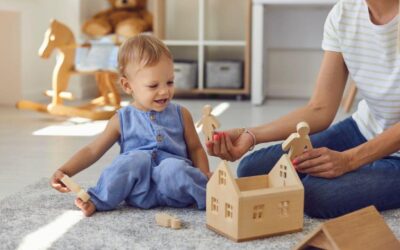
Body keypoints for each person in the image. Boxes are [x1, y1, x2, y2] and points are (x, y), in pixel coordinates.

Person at [207, 0, 400, 219]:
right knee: (254, 169)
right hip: (364, 130)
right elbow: (319, 109)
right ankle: (375, 167)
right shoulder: (343, 14)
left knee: (315, 194)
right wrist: (251, 136)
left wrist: (350, 160)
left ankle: (377, 169)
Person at [50, 35, 211, 216]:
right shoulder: (122, 119)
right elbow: (92, 150)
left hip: (175, 188)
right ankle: (98, 200)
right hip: (138, 191)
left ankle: (210, 197)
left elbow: (196, 148)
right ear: (128, 86)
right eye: (153, 85)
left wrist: (204, 175)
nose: (164, 90)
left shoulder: (181, 114)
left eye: (170, 82)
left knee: (173, 167)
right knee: (133, 160)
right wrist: (65, 171)